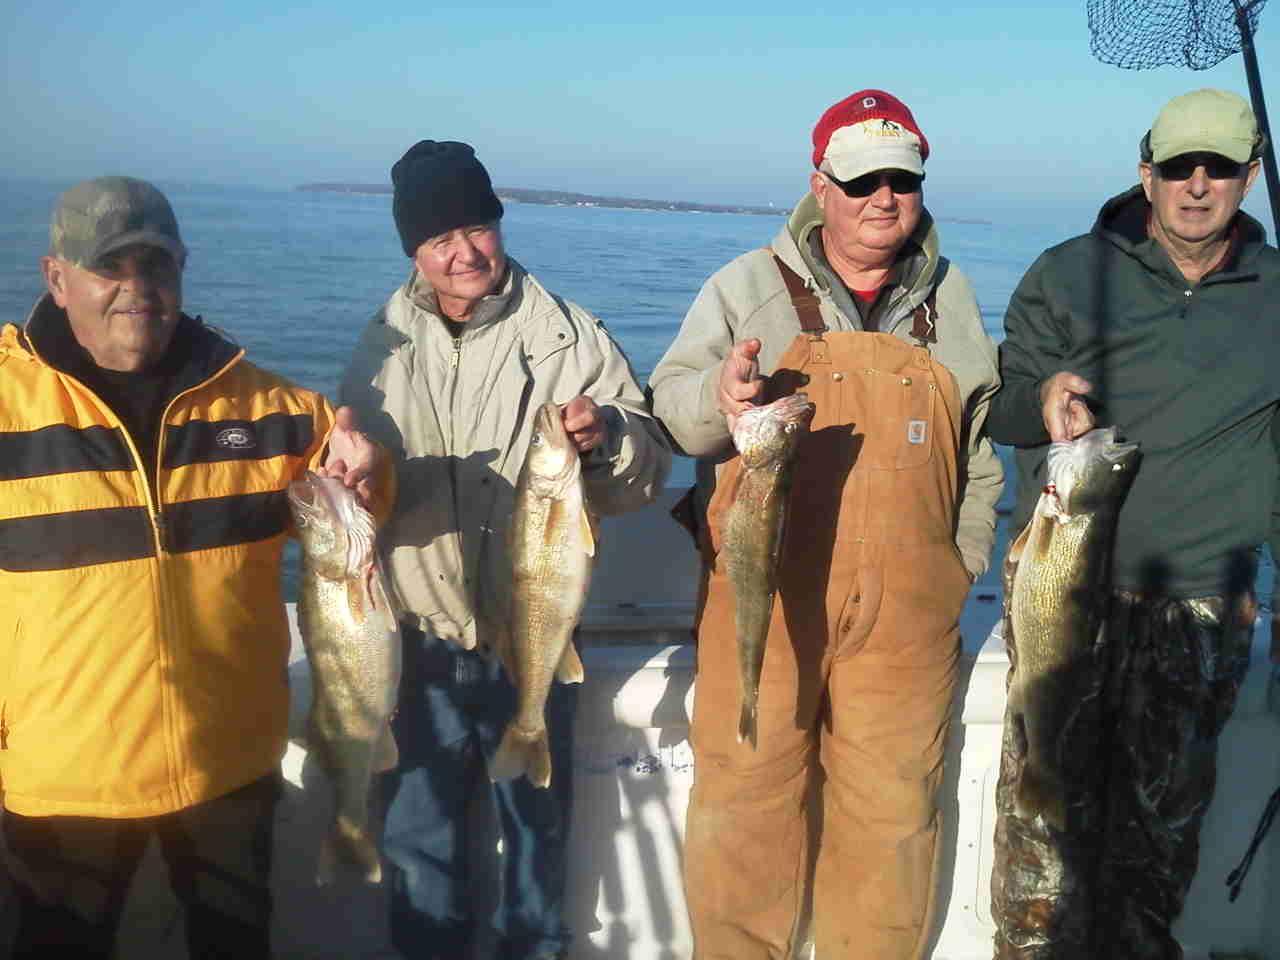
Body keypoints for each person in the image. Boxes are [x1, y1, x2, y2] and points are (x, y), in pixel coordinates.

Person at [649, 89, 1003, 959]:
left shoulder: (952, 299)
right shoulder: (744, 288)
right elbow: (673, 414)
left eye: (901, 180)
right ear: (820, 185)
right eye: (860, 180)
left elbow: (980, 452)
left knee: (893, 814)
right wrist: (720, 398)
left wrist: (959, 563)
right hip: (763, 599)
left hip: (909, 615)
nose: (883, 198)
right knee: (745, 800)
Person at [0, 176, 391, 958]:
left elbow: (353, 498)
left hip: (228, 765)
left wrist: (370, 472)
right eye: (110, 267)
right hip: (62, 776)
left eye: (157, 265)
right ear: (57, 278)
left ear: (182, 270)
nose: (137, 288)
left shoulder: (269, 408)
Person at [339, 139, 671, 960]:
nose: (463, 252)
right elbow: (366, 490)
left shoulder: (567, 336)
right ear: (413, 249)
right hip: (421, 643)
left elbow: (646, 470)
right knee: (418, 845)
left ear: (498, 222)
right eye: (438, 237)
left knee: (536, 844)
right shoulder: (382, 344)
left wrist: (608, 438)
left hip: (535, 639)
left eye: (476, 227)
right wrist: (354, 479)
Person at [986, 88, 1280, 959]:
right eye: (1180, 167)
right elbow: (998, 406)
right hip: (1065, 599)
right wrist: (1041, 396)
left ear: (1250, 177)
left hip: (1202, 605)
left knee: (1156, 850)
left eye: (1219, 168)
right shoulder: (1068, 273)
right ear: (1145, 173)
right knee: (1040, 838)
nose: (1198, 186)